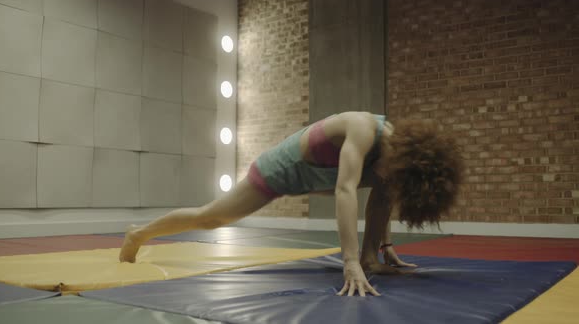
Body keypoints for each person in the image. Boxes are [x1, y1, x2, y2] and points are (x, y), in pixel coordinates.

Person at [119, 111, 463, 297]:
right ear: (402, 155)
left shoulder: (392, 162)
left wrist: (384, 245)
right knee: (212, 217)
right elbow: (345, 190)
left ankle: (371, 257)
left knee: (385, 188)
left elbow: (380, 202)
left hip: (318, 176)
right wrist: (348, 263)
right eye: (396, 172)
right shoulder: (363, 129)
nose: (390, 176)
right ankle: (139, 234)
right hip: (284, 171)